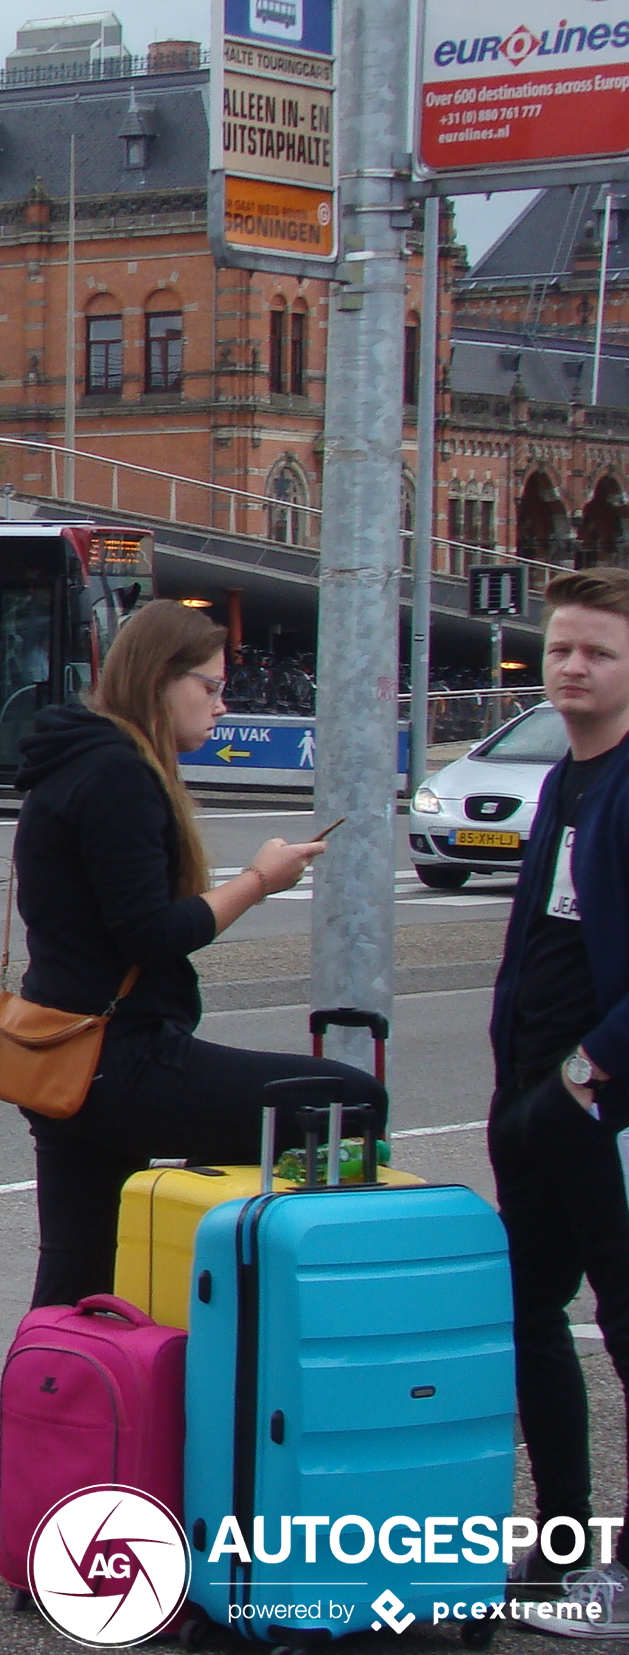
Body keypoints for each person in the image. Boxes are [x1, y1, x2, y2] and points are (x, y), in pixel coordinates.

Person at [11, 598, 362, 1308]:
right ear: (159, 678)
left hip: (61, 1059)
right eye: (210, 685)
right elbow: (152, 934)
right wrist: (261, 881)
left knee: (79, 1267)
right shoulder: (117, 774)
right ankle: (259, 1305)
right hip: (123, 1057)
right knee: (349, 1100)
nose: (221, 705)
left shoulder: (74, 759)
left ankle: (49, 1407)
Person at [486, 568, 629, 1626]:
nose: (570, 666)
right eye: (561, 649)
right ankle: (564, 1539)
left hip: (596, 1102)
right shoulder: (559, 783)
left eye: (597, 653)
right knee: (526, 1315)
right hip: (531, 1099)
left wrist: (583, 1080)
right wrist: (518, 1087)